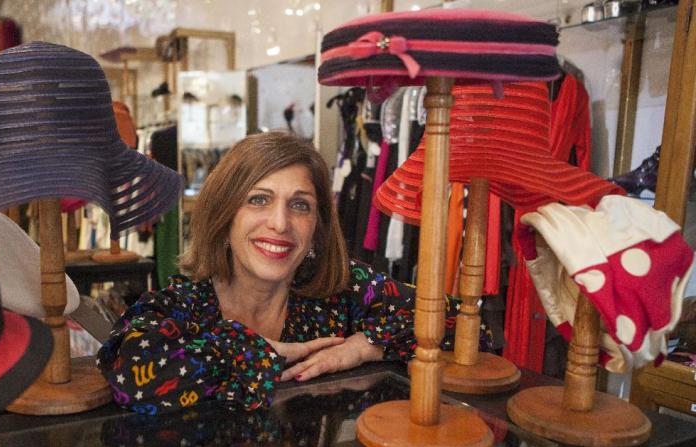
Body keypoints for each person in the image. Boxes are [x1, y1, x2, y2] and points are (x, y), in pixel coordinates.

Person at [98, 132, 488, 414]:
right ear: (224, 216)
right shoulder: (185, 305)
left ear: (317, 226)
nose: (280, 223)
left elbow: (469, 326)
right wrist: (254, 353)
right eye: (258, 200)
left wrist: (366, 346)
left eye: (300, 205)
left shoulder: (342, 293)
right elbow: (128, 374)